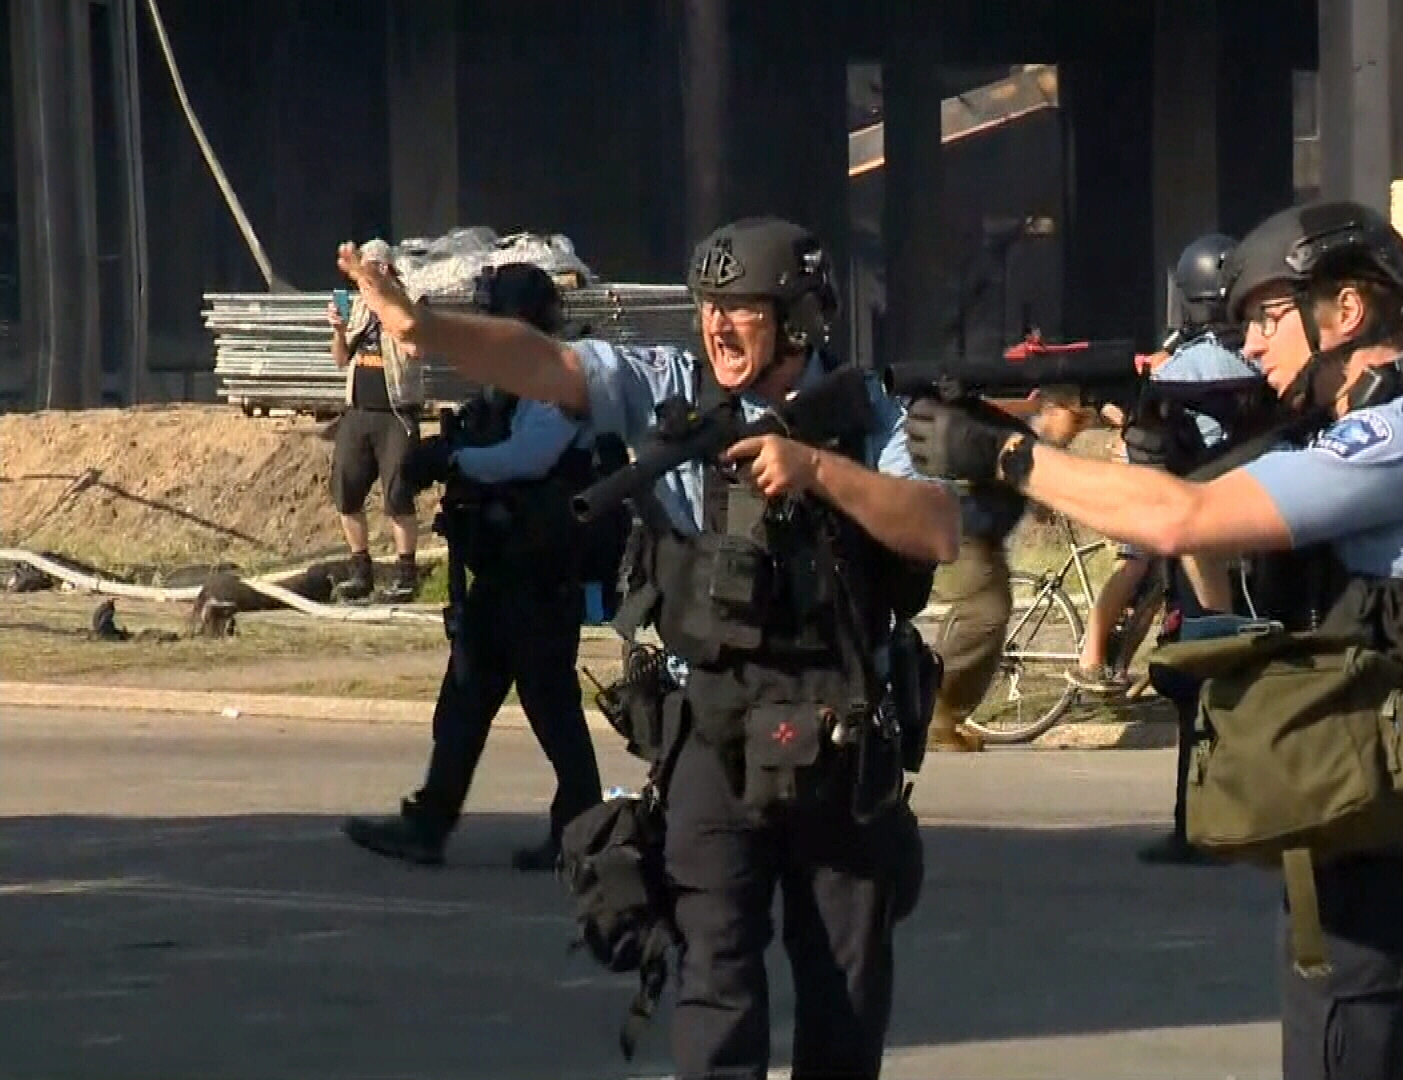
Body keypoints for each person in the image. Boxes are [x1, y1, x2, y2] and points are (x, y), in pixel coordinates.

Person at [336, 216, 959, 1080]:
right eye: (710, 307)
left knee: (844, 995)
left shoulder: (869, 415)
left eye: (742, 309)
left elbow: (936, 528)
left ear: (800, 321)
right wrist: (423, 330)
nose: (717, 326)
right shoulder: (670, 386)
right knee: (714, 977)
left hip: (837, 734)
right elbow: (546, 362)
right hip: (711, 729)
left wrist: (818, 471)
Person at [907, 200, 1403, 1079]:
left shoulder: (1395, 439)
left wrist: (1010, 457)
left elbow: (1185, 523)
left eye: (1266, 317)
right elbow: (1225, 576)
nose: (1253, 345)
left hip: (1381, 834)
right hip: (1402, 809)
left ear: (1345, 311)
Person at [341, 264, 612, 872]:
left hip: (540, 581)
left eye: (495, 317)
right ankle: (430, 824)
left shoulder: (556, 382)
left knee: (553, 713)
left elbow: (527, 457)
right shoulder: (509, 384)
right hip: (501, 577)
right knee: (464, 700)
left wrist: (453, 458)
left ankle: (582, 834)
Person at [1070, 232, 1259, 695]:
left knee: (1151, 566)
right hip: (1178, 486)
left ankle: (1115, 657)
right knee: (1141, 560)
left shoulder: (1189, 361)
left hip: (1179, 485)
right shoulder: (1245, 358)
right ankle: (1091, 657)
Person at [928, 399, 1091, 754]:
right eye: (1074, 418)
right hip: (960, 534)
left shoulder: (1032, 440)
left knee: (988, 622)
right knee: (985, 616)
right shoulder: (1011, 432)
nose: (1077, 429)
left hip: (984, 539)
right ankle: (931, 712)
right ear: (1050, 409)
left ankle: (943, 716)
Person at [327, 238, 424, 601]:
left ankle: (406, 574)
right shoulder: (358, 309)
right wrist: (338, 329)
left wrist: (383, 304)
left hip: (396, 412)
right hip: (358, 410)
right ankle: (360, 569)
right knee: (345, 489)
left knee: (398, 492)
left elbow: (417, 347)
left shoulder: (406, 303)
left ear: (383, 269)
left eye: (367, 268)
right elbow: (340, 359)